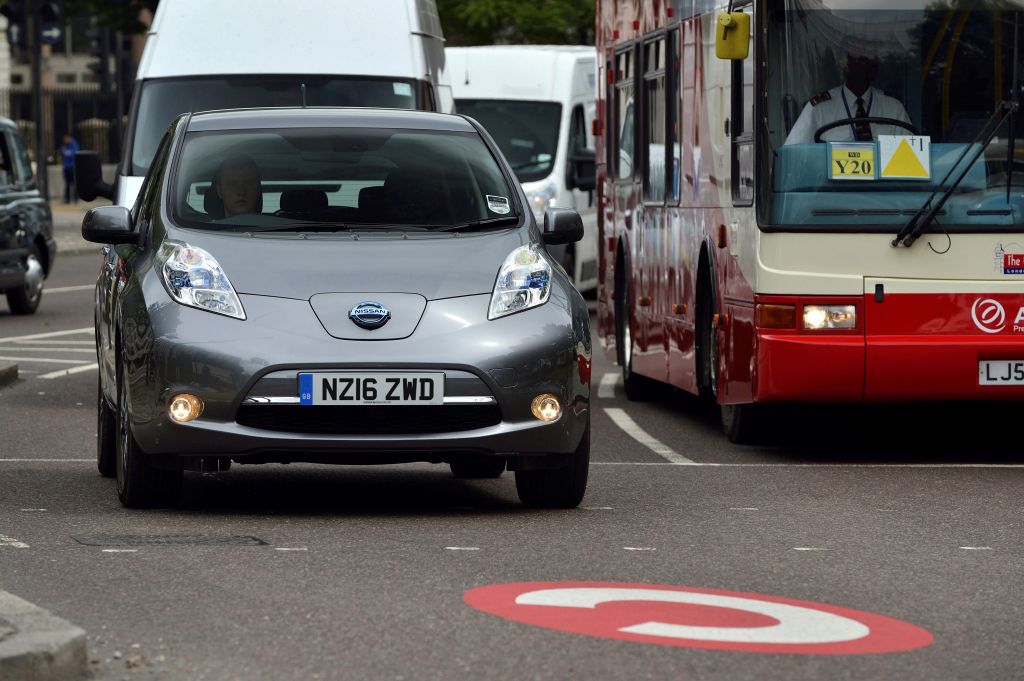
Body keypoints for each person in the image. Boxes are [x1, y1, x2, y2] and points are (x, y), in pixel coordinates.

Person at [784, 53, 912, 145]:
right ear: (845, 66)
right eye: (859, 60)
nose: (865, 66)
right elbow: (794, 152)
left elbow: (910, 156)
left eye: (869, 60)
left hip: (884, 176)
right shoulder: (819, 108)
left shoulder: (894, 108)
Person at [58, 134, 79, 203]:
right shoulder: (65, 146)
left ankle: (76, 198)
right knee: (67, 184)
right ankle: (67, 199)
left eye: (66, 139)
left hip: (72, 167)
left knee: (74, 183)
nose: (65, 140)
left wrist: (65, 152)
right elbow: (61, 152)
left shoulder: (74, 144)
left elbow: (74, 153)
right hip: (66, 167)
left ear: (69, 138)